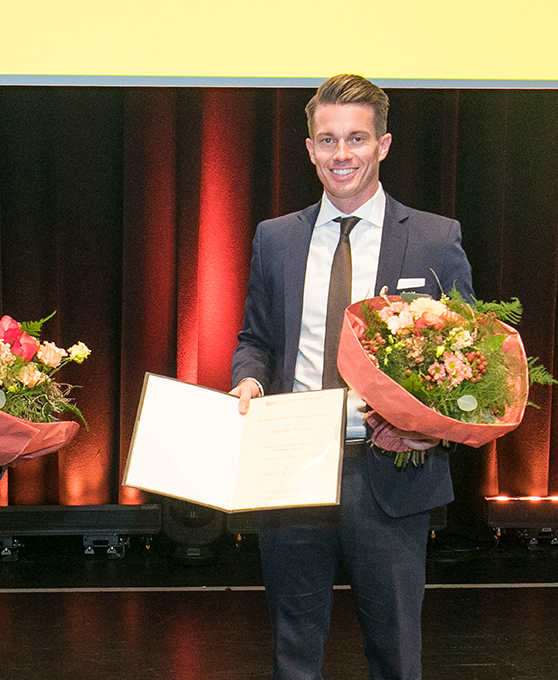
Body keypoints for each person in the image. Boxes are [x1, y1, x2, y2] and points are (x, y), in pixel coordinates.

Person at [230, 75, 474, 679]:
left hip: (389, 475)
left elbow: (470, 357)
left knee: (395, 656)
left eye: (357, 139)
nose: (342, 155)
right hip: (292, 470)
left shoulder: (436, 240)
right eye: (328, 140)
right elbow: (255, 340)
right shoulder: (276, 238)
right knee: (293, 656)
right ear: (310, 148)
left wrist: (435, 426)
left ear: (384, 144)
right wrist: (249, 383)